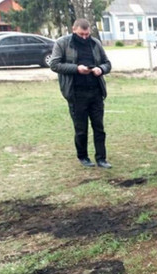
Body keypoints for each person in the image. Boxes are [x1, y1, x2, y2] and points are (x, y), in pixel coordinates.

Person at [49, 18, 113, 169]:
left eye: (86, 34)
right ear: (73, 30)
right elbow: (54, 64)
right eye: (81, 34)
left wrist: (101, 69)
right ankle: (83, 156)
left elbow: (107, 63)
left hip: (96, 92)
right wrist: (76, 68)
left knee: (99, 127)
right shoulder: (62, 43)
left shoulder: (95, 43)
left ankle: (101, 158)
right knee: (81, 129)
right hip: (76, 94)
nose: (84, 37)